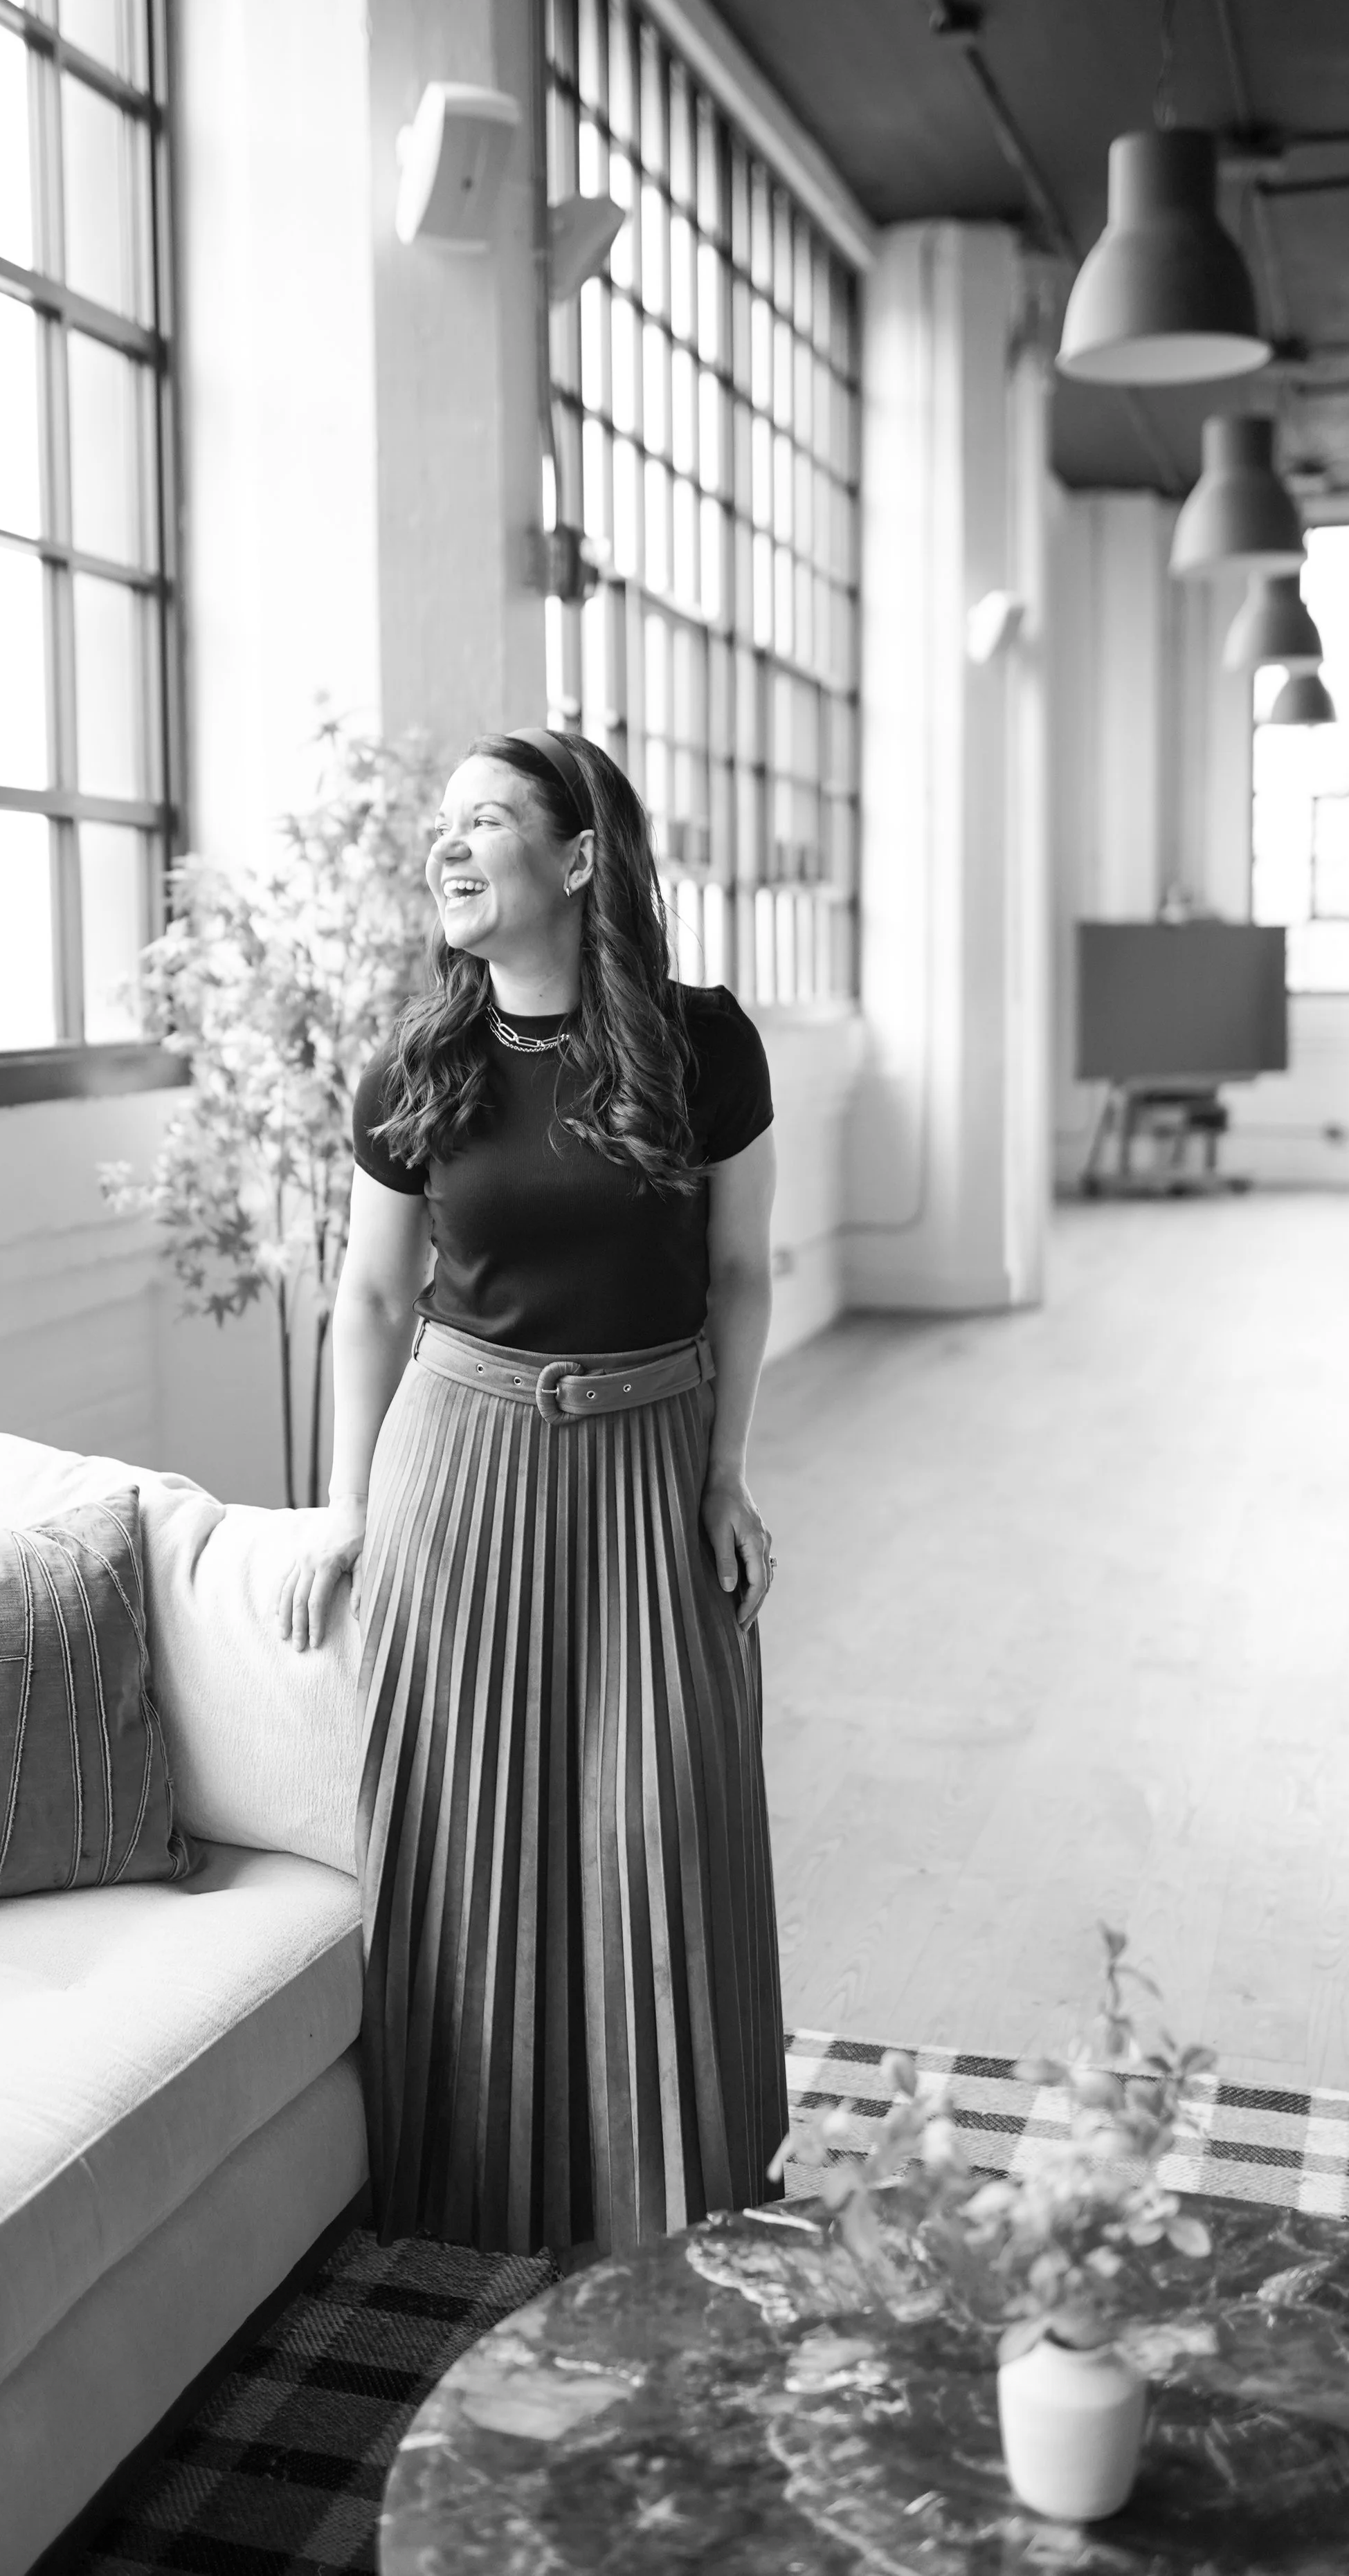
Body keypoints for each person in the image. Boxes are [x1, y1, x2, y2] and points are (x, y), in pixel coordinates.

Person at [277, 726, 787, 2262]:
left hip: (646, 1459)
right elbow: (367, 1304)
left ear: (576, 860)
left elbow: (742, 1275)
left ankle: (678, 2212)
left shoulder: (702, 1048)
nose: (447, 846)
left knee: (662, 1824)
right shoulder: (412, 1067)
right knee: (467, 1836)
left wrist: (723, 1474)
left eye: (484, 820)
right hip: (461, 1464)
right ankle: (468, 2229)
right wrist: (345, 1508)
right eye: (441, 824)